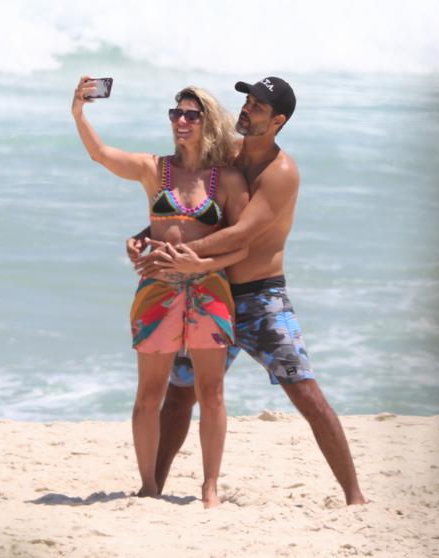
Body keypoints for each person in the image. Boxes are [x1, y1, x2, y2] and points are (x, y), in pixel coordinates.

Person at [130, 77, 367, 505]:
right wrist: (148, 235)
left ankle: (354, 496)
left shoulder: (282, 172)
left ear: (277, 120)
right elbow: (195, 210)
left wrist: (178, 253)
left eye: (258, 106)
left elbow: (243, 232)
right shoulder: (229, 156)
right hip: (211, 292)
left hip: (260, 297)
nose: (246, 108)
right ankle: (154, 492)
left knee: (305, 391)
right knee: (181, 394)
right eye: (247, 100)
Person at [72, 76, 249, 506]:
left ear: (206, 121)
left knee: (211, 393)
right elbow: (101, 155)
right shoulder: (156, 169)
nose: (181, 121)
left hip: (208, 291)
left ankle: (209, 487)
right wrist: (78, 111)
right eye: (176, 114)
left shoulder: (223, 178)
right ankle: (149, 486)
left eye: (191, 114)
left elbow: (241, 242)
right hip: (158, 290)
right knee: (149, 395)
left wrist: (202, 264)